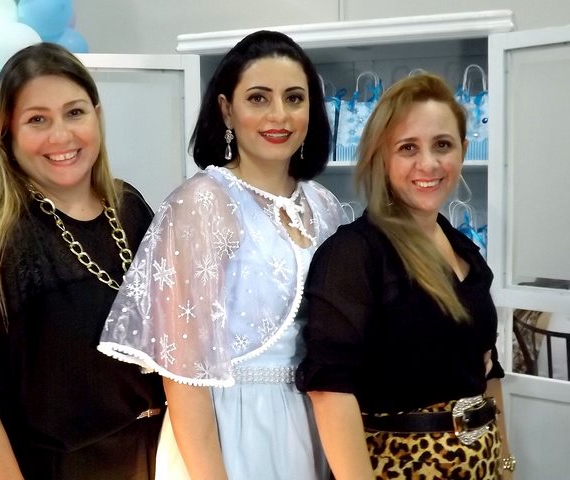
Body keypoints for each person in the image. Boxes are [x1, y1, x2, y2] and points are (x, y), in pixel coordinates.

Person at [98, 30, 346, 480]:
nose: (279, 114)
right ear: (227, 109)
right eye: (258, 98)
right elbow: (183, 377)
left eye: (294, 98)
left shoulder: (324, 206)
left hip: (315, 424)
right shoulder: (202, 202)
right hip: (229, 429)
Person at [0, 43, 165, 480]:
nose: (61, 136)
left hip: (149, 459)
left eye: (74, 112)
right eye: (37, 119)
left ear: (96, 115)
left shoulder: (129, 208)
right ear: (7, 132)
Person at [296, 73, 516, 479]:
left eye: (443, 145)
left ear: (463, 150)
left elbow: (488, 367)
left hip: (481, 465)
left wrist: (505, 463)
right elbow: (329, 392)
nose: (428, 164)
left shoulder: (464, 249)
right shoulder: (355, 253)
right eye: (408, 147)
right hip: (401, 466)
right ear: (382, 156)